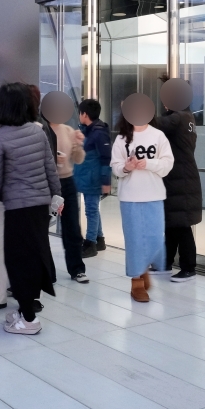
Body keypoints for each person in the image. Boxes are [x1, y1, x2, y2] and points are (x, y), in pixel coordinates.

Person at [0, 83, 61, 334]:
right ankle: (24, 310)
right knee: (34, 256)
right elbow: (51, 168)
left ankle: (29, 320)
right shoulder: (37, 131)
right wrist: (57, 196)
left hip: (17, 207)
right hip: (40, 205)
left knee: (18, 261)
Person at [112, 105, 174, 302]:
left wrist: (148, 163)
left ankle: (144, 267)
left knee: (155, 238)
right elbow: (115, 167)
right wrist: (127, 167)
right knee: (135, 241)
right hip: (130, 197)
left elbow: (167, 164)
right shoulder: (121, 138)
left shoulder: (158, 136)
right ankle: (136, 281)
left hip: (154, 195)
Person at [153, 85, 200, 282]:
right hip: (179, 176)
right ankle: (165, 262)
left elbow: (156, 123)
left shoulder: (179, 117)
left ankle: (189, 267)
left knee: (181, 224)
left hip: (181, 178)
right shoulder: (187, 117)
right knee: (173, 222)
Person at [45, 97, 88, 284]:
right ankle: (48, 272)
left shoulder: (69, 131)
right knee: (44, 226)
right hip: (49, 185)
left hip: (67, 183)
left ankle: (77, 269)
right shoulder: (42, 130)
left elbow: (78, 159)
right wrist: (54, 160)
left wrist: (78, 144)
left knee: (72, 228)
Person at [74, 98, 111, 258]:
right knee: (93, 209)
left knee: (91, 210)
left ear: (85, 114)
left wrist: (106, 181)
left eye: (80, 113)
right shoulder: (87, 131)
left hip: (93, 179)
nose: (79, 116)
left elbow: (106, 159)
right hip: (87, 177)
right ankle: (99, 239)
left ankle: (90, 244)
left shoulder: (99, 133)